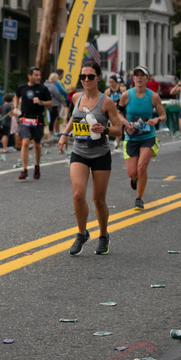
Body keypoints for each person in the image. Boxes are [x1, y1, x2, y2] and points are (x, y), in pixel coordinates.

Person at [58, 62, 122, 255]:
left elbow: (119, 128)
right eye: (83, 76)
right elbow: (74, 117)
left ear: (98, 77)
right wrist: (64, 134)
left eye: (90, 76)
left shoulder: (106, 102)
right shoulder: (77, 97)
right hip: (80, 151)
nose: (86, 80)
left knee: (99, 200)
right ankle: (82, 233)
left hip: (100, 153)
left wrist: (105, 129)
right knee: (78, 195)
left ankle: (103, 235)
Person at [117, 65, 166, 211]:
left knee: (141, 167)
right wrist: (126, 123)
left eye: (142, 75)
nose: (139, 77)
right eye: (136, 75)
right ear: (133, 78)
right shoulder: (126, 95)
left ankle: (139, 199)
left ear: (147, 78)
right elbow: (118, 112)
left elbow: (163, 115)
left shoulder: (153, 96)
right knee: (132, 172)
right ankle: (135, 178)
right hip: (131, 137)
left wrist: (156, 120)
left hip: (148, 136)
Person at [15, 66, 52, 180]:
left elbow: (50, 103)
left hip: (37, 119)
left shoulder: (43, 89)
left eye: (39, 75)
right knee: (25, 142)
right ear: (29, 76)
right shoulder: (22, 87)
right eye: (36, 75)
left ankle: (37, 166)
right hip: (25, 118)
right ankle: (24, 169)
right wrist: (16, 107)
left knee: (36, 144)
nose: (38, 77)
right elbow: (16, 96)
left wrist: (41, 102)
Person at [104, 75, 126, 151]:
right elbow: (104, 102)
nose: (111, 83)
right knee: (110, 128)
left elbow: (126, 99)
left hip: (119, 112)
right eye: (109, 82)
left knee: (119, 127)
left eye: (112, 82)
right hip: (111, 112)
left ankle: (117, 145)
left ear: (116, 82)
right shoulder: (108, 91)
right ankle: (107, 143)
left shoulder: (122, 90)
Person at [45, 73, 64, 137]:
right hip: (54, 104)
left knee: (51, 118)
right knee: (54, 118)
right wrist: (61, 100)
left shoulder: (45, 84)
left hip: (47, 104)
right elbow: (57, 94)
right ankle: (52, 133)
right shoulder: (52, 86)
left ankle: (54, 132)